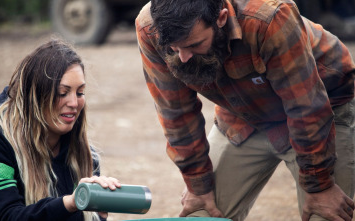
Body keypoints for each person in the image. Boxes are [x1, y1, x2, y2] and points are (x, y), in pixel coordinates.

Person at [135, 0, 355, 220]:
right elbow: (176, 112)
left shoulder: (269, 17)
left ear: (220, 19)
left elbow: (306, 106)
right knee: (203, 213)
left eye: (194, 45)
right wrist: (197, 184)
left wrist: (320, 186)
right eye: (174, 48)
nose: (183, 57)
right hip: (243, 115)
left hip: (324, 108)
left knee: (326, 213)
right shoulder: (149, 27)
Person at [0, 39, 121, 221]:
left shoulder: (85, 157)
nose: (74, 103)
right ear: (35, 96)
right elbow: (7, 217)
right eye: (62, 93)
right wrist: (71, 202)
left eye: (80, 93)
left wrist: (97, 216)